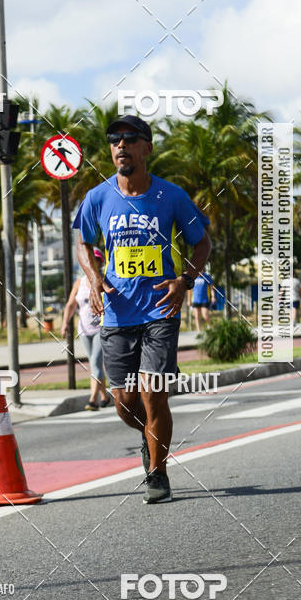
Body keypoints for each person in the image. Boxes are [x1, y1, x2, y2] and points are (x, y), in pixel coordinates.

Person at [73, 115, 212, 504]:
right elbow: (83, 242)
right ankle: (148, 440)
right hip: (117, 314)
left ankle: (158, 473)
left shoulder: (171, 196)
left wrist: (184, 281)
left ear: (147, 148)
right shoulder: (98, 197)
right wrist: (94, 276)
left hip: (160, 310)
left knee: (154, 395)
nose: (120, 145)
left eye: (130, 139)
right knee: (125, 403)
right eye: (114, 140)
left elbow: (202, 242)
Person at [61, 248, 110, 410]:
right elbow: (70, 305)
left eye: (95, 260)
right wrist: (64, 323)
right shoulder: (79, 282)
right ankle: (104, 395)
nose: (92, 262)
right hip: (83, 329)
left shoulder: (104, 280)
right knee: (94, 364)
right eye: (89, 259)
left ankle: (93, 400)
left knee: (95, 363)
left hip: (100, 329)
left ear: (99, 262)